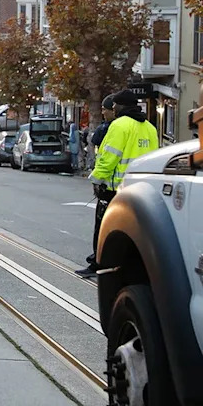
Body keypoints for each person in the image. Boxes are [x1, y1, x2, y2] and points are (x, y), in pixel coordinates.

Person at [76, 89, 159, 277]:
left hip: (114, 188)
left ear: (121, 106)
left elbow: (108, 157)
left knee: (103, 228)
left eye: (114, 106)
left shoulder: (119, 125)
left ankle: (98, 265)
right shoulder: (150, 128)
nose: (112, 109)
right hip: (141, 190)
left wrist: (97, 180)